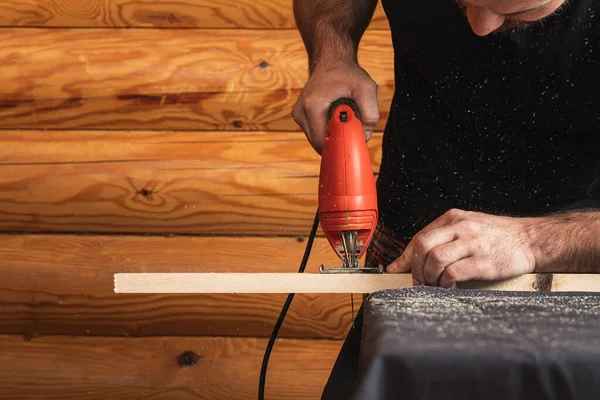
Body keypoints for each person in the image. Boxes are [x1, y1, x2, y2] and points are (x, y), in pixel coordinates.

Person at [292, 0, 600, 288]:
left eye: (519, 11)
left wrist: (533, 240)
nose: (479, 26)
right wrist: (333, 54)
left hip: (577, 249)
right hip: (412, 237)